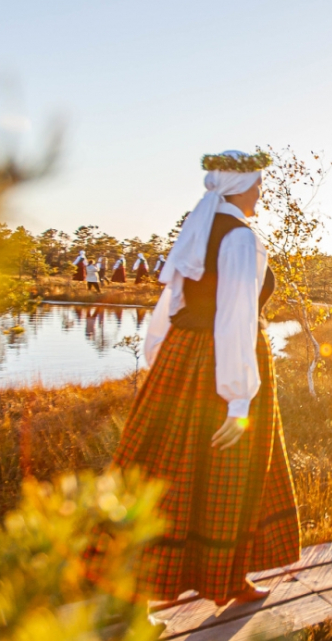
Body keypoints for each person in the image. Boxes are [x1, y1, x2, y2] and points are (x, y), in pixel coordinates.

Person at [108, 150, 298, 607]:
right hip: (220, 360)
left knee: (173, 468)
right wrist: (237, 398)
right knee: (227, 469)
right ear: (239, 188)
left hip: (185, 353)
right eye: (256, 185)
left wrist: (161, 358)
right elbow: (235, 316)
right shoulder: (237, 238)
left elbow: (171, 304)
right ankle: (153, 588)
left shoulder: (202, 227)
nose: (260, 193)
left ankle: (227, 578)